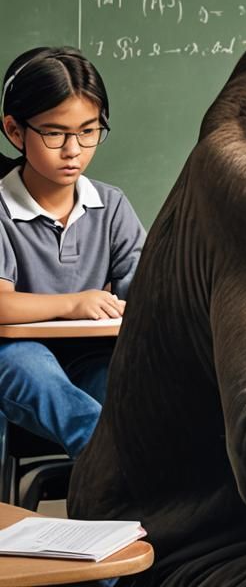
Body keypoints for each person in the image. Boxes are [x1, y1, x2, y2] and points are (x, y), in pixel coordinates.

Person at [0, 46, 145, 459]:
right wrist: (75, 303)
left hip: (90, 355)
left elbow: (145, 286)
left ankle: (121, 481)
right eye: (54, 133)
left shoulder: (111, 205)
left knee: (121, 385)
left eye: (88, 131)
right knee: (29, 366)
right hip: (14, 361)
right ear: (14, 131)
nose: (73, 150)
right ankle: (109, 467)